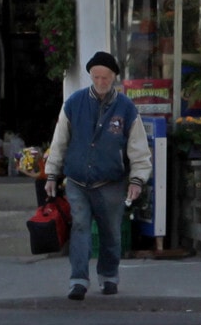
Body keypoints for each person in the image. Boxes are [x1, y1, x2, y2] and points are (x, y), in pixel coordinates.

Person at [43, 51, 151, 301]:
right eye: (96, 77)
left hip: (110, 182)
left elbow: (138, 147)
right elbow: (60, 141)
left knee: (111, 230)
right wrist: (51, 174)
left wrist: (137, 179)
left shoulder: (126, 108)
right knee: (80, 226)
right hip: (78, 180)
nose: (101, 82)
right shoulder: (73, 103)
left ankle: (109, 276)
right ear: (90, 76)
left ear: (114, 77)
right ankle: (78, 280)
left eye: (106, 77)